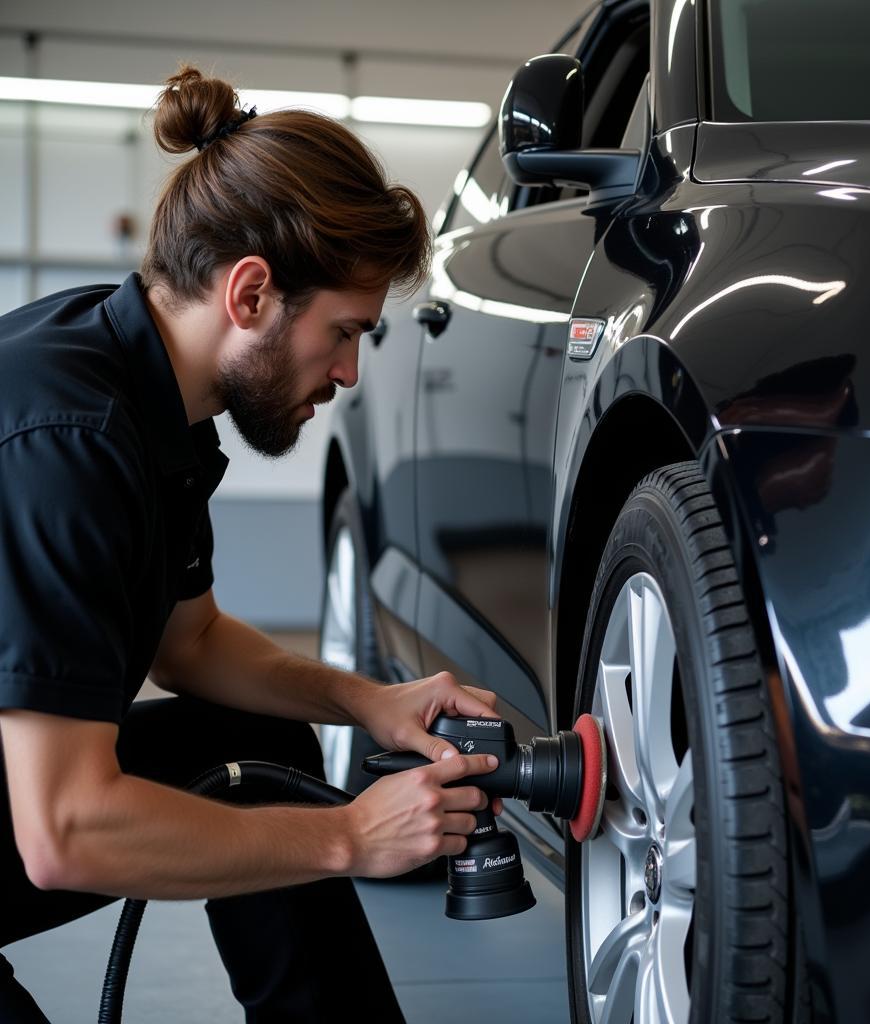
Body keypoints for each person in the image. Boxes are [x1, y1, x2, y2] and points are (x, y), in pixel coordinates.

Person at [0, 66, 500, 1023]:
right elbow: (64, 831)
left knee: (257, 743)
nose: (350, 372)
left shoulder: (155, 413)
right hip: (38, 814)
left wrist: (370, 702)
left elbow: (188, 646)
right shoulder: (68, 442)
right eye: (342, 333)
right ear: (252, 292)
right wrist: (350, 837)